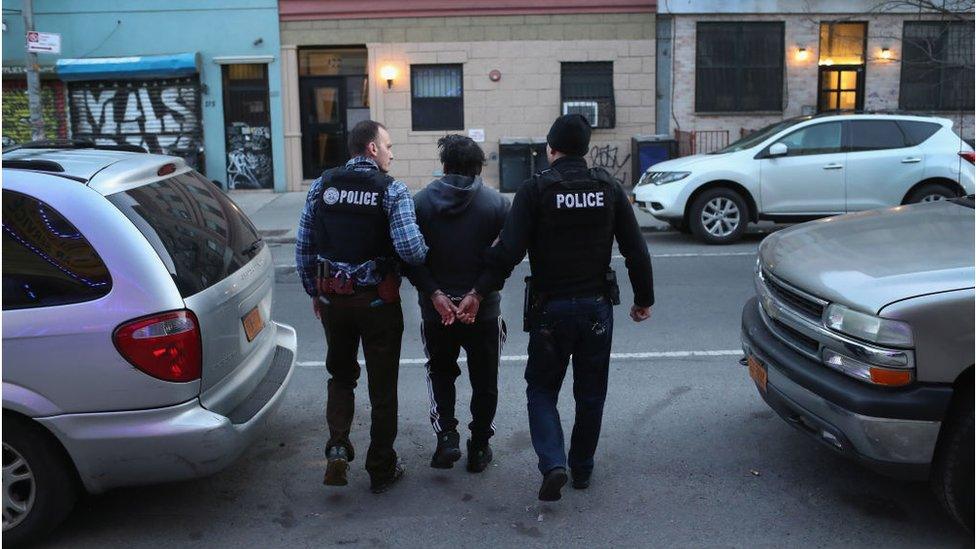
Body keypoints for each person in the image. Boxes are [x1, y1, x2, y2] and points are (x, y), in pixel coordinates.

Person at [460, 114, 654, 502]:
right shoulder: (609, 186)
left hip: (551, 311)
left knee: (542, 390)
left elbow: (508, 252)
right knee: (591, 393)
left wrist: (478, 292)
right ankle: (582, 469)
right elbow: (635, 248)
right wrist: (643, 299)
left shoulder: (536, 190)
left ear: (551, 149)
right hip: (597, 309)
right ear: (585, 149)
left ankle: (553, 464)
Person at [295, 120, 428, 494]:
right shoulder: (392, 191)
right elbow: (411, 250)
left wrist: (315, 293)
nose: (391, 153)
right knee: (382, 386)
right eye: (388, 146)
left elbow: (304, 244)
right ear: (372, 148)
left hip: (333, 300)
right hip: (377, 304)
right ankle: (381, 467)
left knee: (340, 375)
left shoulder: (322, 185)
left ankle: (338, 445)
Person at [406, 134, 510, 473]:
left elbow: (408, 257)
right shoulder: (496, 204)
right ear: (478, 167)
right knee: (485, 380)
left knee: (440, 372)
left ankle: (446, 438)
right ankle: (479, 447)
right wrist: (477, 294)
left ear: (444, 165)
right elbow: (504, 258)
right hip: (482, 311)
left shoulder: (419, 203)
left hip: (437, 313)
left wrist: (435, 294)